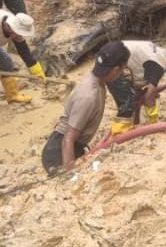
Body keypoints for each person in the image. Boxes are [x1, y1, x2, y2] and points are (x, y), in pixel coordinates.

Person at [41, 41, 130, 174]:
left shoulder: (97, 79)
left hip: (72, 146)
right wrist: (70, 173)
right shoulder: (88, 96)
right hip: (58, 153)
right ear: (116, 69)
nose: (124, 72)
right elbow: (68, 139)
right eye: (123, 69)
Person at [107, 41, 166, 133]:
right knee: (128, 103)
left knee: (135, 96)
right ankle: (118, 134)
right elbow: (149, 98)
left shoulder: (161, 54)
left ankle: (134, 124)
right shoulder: (158, 65)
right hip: (111, 63)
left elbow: (141, 77)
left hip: (113, 55)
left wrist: (147, 92)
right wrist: (154, 121)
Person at [0, 10, 46, 104]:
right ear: (9, 26)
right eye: (16, 33)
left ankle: (12, 95)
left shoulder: (15, 26)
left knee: (6, 61)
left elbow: (24, 51)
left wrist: (36, 70)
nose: (17, 36)